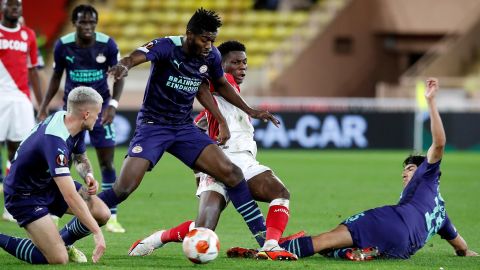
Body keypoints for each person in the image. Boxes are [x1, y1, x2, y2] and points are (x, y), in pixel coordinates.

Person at [55, 8, 295, 260]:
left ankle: (266, 242)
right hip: (153, 126)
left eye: (212, 39)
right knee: (123, 189)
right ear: (189, 34)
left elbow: (214, 86)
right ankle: (64, 238)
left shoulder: (211, 55)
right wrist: (123, 65)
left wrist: (243, 113)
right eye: (204, 39)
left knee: (232, 173)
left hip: (182, 128)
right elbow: (136, 56)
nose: (209, 45)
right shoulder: (166, 46)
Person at [264, 78, 478, 260]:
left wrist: (430, 101)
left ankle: (269, 250)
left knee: (326, 240)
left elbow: (439, 143)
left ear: (423, 169)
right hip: (402, 249)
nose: (405, 173)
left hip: (392, 221)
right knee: (337, 249)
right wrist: (467, 252)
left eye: (410, 168)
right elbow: (460, 246)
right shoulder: (441, 215)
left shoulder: (427, 175)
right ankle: (355, 252)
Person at [128, 41, 302, 260]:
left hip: (226, 163)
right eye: (236, 62)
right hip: (228, 160)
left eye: (245, 62)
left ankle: (158, 238)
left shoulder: (231, 97)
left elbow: (199, 124)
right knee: (277, 194)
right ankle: (270, 244)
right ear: (221, 64)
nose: (242, 67)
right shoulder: (222, 81)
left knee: (203, 230)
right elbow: (205, 84)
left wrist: (199, 170)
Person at [37, 4, 126, 233]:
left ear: (96, 24)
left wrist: (113, 106)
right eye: (83, 22)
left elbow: (119, 75)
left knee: (107, 160)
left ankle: (112, 215)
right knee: (62, 161)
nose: (87, 27)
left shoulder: (107, 44)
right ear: (74, 23)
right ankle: (56, 212)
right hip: (73, 113)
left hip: (99, 111)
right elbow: (56, 76)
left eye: (91, 22)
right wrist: (45, 105)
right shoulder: (63, 45)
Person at [0, 86, 109, 264]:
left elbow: (80, 157)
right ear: (86, 114)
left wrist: (88, 175)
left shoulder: (71, 122)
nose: (98, 119)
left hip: (47, 184)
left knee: (102, 213)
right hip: (24, 196)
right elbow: (71, 197)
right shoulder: (54, 140)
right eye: (97, 114)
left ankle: (60, 242)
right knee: (58, 259)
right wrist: (97, 233)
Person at [0, 0, 43, 221]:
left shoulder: (28, 35)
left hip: (20, 100)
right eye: (11, 4)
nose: (16, 7)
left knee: (17, 154)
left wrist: (42, 104)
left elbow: (33, 70)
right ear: (2, 7)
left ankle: (10, 205)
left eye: (19, 4)